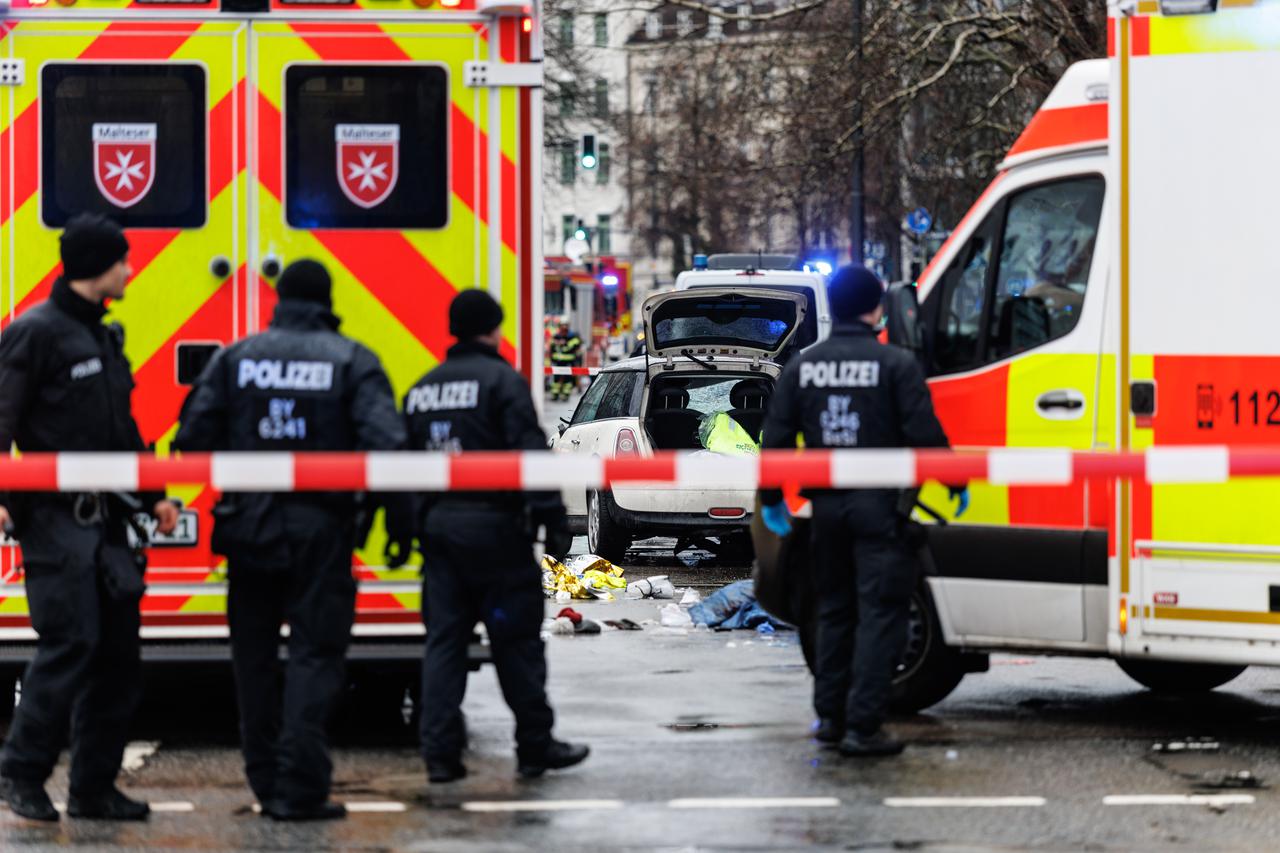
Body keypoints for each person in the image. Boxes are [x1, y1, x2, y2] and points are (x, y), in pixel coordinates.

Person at [174, 259, 408, 821]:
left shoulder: (236, 358)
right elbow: (390, 449)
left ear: (280, 299)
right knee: (314, 657)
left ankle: (266, 783)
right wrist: (396, 524)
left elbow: (192, 437)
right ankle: (301, 790)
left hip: (247, 529)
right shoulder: (352, 360)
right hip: (321, 534)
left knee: (252, 662)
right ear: (327, 301)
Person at [0, 214, 180, 822]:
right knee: (70, 642)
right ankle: (20, 774)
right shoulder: (34, 332)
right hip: (53, 519)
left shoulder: (101, 338)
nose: (130, 270)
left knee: (118, 660)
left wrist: (153, 492)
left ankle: (93, 789)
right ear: (98, 266)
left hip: (106, 524)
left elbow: (122, 431)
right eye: (123, 261)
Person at [758, 265, 967, 758]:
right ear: (876, 309)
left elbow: (777, 440)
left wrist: (771, 503)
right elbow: (924, 433)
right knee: (881, 615)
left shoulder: (803, 366)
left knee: (833, 611)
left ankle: (830, 719)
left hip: (825, 510)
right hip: (881, 511)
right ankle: (864, 727)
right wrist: (956, 481)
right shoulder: (894, 364)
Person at [404, 290, 587, 783]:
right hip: (498, 538)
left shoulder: (421, 390)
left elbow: (405, 468)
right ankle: (534, 745)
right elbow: (530, 456)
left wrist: (410, 529)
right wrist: (553, 521)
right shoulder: (503, 383)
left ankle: (440, 756)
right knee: (516, 644)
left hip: (442, 539)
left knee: (444, 646)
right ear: (494, 329)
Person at [548, 322, 583, 402]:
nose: (563, 328)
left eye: (565, 326)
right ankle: (555, 394)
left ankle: (565, 395)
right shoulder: (556, 336)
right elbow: (551, 345)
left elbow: (574, 345)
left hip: (568, 362)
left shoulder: (572, 337)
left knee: (567, 379)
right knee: (556, 379)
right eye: (562, 326)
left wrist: (564, 344)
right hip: (557, 361)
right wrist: (557, 344)